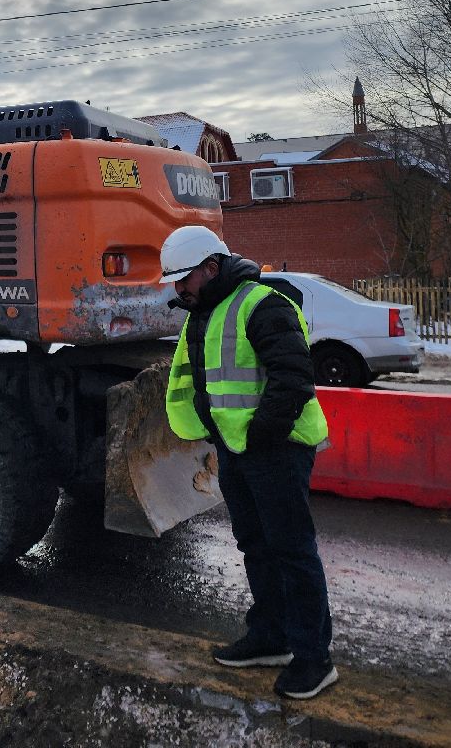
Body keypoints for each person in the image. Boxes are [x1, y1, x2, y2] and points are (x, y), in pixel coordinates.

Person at [160, 225, 337, 700]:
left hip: (277, 448)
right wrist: (218, 433)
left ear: (212, 267)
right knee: (256, 545)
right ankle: (271, 637)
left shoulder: (264, 304)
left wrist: (261, 436)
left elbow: (294, 378)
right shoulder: (205, 311)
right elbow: (206, 383)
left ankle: (314, 659)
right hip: (238, 450)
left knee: (292, 550)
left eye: (184, 277)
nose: (179, 288)